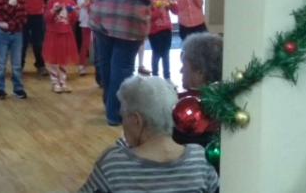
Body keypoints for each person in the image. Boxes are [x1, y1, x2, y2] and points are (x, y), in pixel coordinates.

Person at [78, 76, 218, 193]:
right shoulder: (200, 158)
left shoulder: (113, 164)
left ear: (137, 120)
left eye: (124, 116)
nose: (123, 124)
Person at [87, 0, 161, 126]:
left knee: (106, 64)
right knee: (123, 66)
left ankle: (110, 106)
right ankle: (115, 113)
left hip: (102, 16)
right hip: (132, 20)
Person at [174, 32, 223, 148]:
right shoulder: (226, 101)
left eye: (184, 65)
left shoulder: (180, 106)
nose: (180, 71)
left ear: (200, 72)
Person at [0, 0, 28, 100]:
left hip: (17, 35)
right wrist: (10, 6)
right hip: (2, 35)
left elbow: (22, 19)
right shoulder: (0, 0)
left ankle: (18, 88)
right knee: (0, 63)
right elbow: (0, 18)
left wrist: (10, 25)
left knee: (17, 64)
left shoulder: (21, 1)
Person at [44, 0, 79, 93]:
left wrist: (74, 12)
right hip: (53, 33)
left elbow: (73, 20)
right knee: (53, 59)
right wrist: (53, 11)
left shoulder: (71, 1)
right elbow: (47, 18)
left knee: (63, 59)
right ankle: (55, 82)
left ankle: (63, 81)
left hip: (66, 33)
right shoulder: (51, 0)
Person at [19, 0, 51, 75]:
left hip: (38, 15)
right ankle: (19, 66)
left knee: (38, 43)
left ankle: (40, 65)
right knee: (23, 43)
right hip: (24, 14)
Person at [148, 0, 179, 83]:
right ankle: (155, 76)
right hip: (154, 31)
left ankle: (167, 77)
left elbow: (176, 11)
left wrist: (173, 3)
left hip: (167, 29)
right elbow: (149, 17)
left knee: (166, 54)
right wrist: (159, 9)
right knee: (156, 54)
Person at [77, 0, 93, 77]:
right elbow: (80, 2)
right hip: (86, 18)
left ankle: (99, 64)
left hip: (97, 17)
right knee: (85, 43)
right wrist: (85, 2)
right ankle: (81, 65)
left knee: (98, 43)